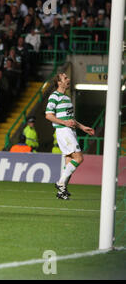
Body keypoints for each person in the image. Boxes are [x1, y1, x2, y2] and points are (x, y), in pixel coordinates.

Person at [45, 72, 94, 200]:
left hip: (70, 130)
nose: (68, 79)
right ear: (59, 83)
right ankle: (60, 182)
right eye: (65, 78)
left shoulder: (66, 98)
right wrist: (65, 123)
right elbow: (48, 115)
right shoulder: (54, 96)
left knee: (69, 161)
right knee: (79, 158)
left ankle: (62, 191)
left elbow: (70, 118)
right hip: (63, 131)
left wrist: (83, 127)